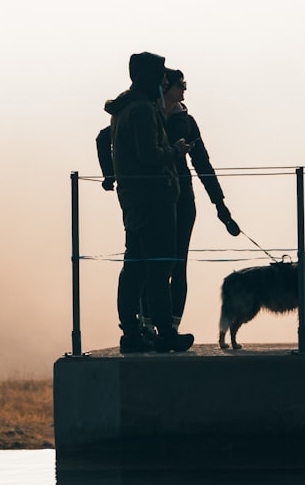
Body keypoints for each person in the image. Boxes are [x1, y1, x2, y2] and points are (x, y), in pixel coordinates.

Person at [98, 68, 241, 333]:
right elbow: (104, 139)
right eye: (180, 84)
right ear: (166, 88)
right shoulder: (145, 114)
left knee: (172, 263)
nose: (185, 89)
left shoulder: (183, 120)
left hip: (178, 198)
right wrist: (111, 174)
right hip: (156, 197)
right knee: (152, 264)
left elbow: (203, 164)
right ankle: (152, 325)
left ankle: (167, 325)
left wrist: (221, 207)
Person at [102, 52, 195, 354]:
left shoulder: (124, 108)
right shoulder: (142, 110)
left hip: (134, 199)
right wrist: (176, 151)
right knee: (158, 265)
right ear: (152, 78)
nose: (166, 81)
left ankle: (132, 332)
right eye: (163, 76)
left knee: (136, 266)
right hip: (154, 199)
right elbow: (149, 156)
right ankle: (165, 333)